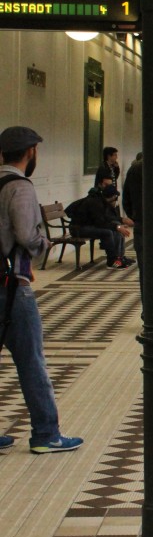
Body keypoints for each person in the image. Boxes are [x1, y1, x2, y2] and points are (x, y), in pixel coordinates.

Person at [0, 126, 84, 454]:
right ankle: (46, 433)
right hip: (12, 285)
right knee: (31, 360)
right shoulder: (19, 186)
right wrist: (42, 244)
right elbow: (25, 233)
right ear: (31, 151)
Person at [69, 183, 133, 269]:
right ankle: (112, 261)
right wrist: (117, 227)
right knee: (108, 232)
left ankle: (119, 258)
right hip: (78, 229)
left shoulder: (101, 201)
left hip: (87, 226)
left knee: (116, 228)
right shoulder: (95, 203)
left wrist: (121, 221)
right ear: (113, 197)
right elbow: (100, 223)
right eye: (116, 198)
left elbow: (107, 217)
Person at [123, 153, 144, 296]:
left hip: (141, 225)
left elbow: (126, 200)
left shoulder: (134, 168)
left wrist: (135, 217)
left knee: (145, 271)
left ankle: (148, 313)